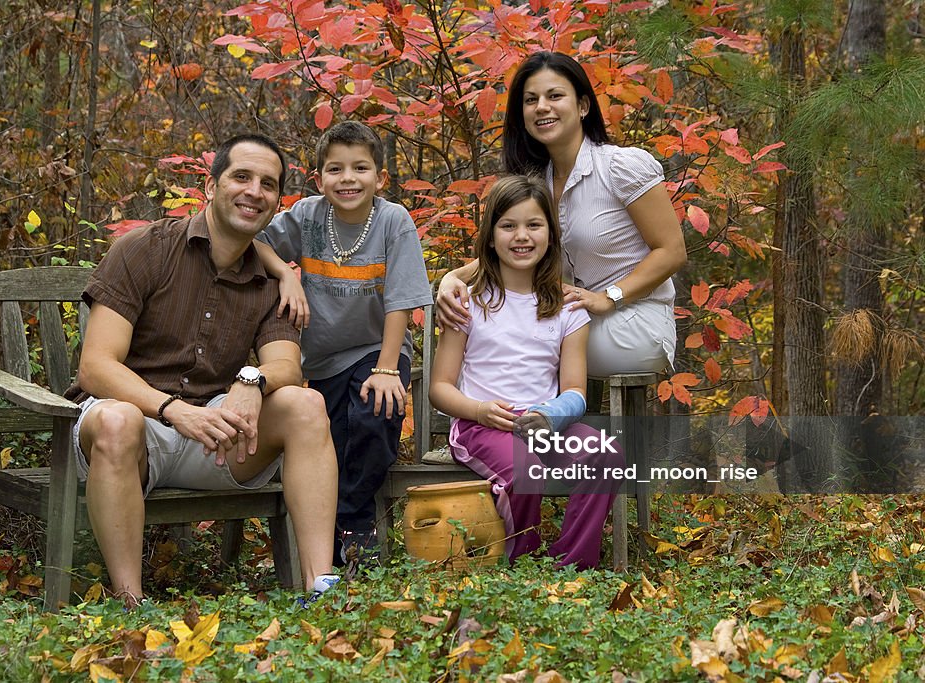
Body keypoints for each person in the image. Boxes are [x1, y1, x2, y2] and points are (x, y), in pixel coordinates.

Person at [66, 133, 339, 607]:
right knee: (115, 419)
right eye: (241, 177)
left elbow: (285, 366)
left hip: (213, 435)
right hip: (132, 431)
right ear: (210, 187)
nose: (254, 191)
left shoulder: (272, 282)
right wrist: (173, 411)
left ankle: (321, 588)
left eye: (268, 184)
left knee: (306, 405)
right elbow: (95, 367)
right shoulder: (144, 250)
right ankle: (130, 603)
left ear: (276, 202)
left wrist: (251, 380)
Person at [436, 51, 686, 379]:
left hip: (635, 321)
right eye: (531, 99)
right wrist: (453, 278)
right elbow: (517, 248)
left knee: (508, 346)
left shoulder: (619, 167)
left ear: (583, 106)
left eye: (555, 95)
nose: (542, 106)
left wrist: (608, 298)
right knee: (487, 329)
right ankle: (479, 417)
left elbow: (672, 251)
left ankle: (488, 416)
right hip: (577, 318)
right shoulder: (539, 182)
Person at [252, 121, 432, 567]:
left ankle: (355, 524)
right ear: (318, 178)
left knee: (375, 415)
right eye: (335, 169)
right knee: (330, 441)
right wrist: (284, 273)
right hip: (324, 359)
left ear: (380, 178)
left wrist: (388, 369)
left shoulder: (393, 221)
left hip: (378, 348)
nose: (348, 179)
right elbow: (253, 241)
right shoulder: (309, 216)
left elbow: (401, 303)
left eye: (360, 168)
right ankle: (331, 542)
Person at [429, 175, 621, 569]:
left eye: (534, 225)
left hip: (547, 424)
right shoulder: (468, 302)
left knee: (606, 453)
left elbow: (575, 393)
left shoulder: (569, 309)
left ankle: (571, 564)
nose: (522, 236)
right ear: (490, 235)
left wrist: (548, 418)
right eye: (508, 225)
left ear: (550, 233)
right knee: (525, 470)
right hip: (482, 425)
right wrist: (479, 410)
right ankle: (523, 561)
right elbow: (440, 388)